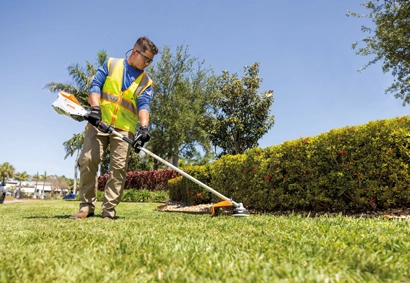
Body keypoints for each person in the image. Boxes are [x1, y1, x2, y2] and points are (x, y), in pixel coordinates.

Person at [70, 36, 159, 220]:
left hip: (124, 129)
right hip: (99, 122)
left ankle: (108, 209)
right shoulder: (111, 64)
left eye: (151, 61)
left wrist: (144, 128)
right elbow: (96, 85)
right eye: (146, 59)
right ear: (135, 52)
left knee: (118, 168)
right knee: (87, 160)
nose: (148, 64)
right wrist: (95, 109)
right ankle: (86, 207)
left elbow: (144, 106)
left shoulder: (146, 82)